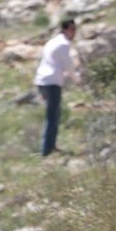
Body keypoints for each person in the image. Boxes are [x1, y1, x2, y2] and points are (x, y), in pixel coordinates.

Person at [34, 17, 77, 157]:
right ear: (65, 30)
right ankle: (46, 150)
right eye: (72, 29)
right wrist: (76, 78)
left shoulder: (52, 41)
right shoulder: (63, 44)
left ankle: (51, 146)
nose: (74, 33)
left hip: (42, 80)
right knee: (52, 116)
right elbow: (68, 64)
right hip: (52, 82)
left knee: (54, 114)